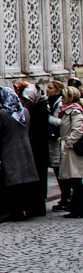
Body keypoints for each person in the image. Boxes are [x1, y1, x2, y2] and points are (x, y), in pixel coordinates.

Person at [0, 86, 40, 221]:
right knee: (24, 179)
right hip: (25, 148)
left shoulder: (3, 114)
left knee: (13, 180)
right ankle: (26, 208)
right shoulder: (25, 112)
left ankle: (14, 211)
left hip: (9, 149)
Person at [18, 84, 49, 217]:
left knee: (38, 177)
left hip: (38, 148)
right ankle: (36, 206)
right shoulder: (38, 107)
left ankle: (37, 207)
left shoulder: (39, 109)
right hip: (36, 147)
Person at [57, 86, 83, 218]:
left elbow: (78, 130)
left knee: (76, 180)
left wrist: (68, 143)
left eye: (63, 96)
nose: (61, 99)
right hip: (69, 149)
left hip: (72, 151)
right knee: (73, 179)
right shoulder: (67, 111)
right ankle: (75, 205)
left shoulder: (75, 111)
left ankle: (79, 208)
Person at [45, 80, 71, 210]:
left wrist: (48, 118)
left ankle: (66, 197)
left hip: (59, 141)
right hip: (52, 141)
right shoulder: (49, 102)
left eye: (50, 88)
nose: (47, 90)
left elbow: (63, 122)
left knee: (60, 171)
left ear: (58, 90)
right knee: (58, 170)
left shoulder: (60, 103)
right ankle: (65, 196)